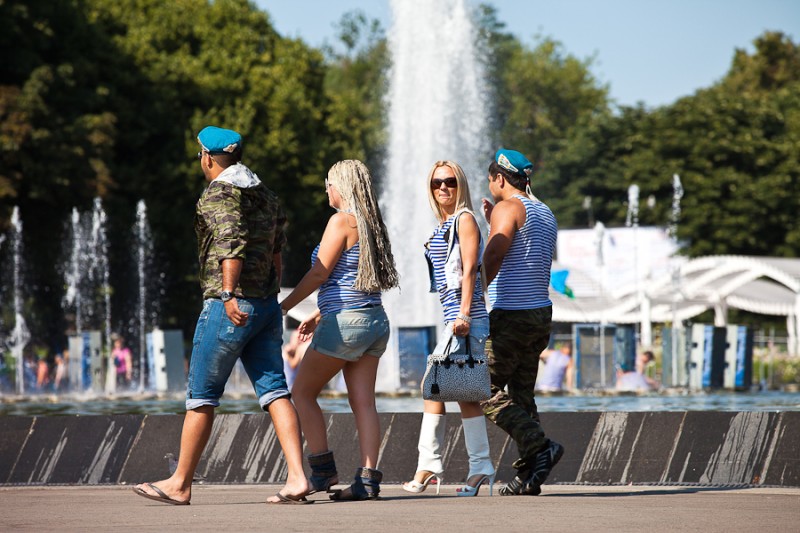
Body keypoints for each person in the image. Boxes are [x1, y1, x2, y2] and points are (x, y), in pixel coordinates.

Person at [133, 126, 309, 505]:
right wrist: (270, 296)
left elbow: (231, 243)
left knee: (201, 395)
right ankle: (297, 477)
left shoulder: (219, 193)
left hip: (230, 305)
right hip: (264, 304)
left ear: (207, 158)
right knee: (276, 390)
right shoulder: (267, 195)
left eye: (200, 156)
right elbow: (277, 251)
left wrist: (228, 293)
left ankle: (179, 483)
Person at [280, 159, 399, 502]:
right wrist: (319, 312)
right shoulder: (371, 223)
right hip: (374, 321)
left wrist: (283, 308)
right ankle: (367, 481)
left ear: (340, 186)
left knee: (302, 393)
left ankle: (321, 472)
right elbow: (355, 281)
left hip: (346, 323)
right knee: (364, 403)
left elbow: (320, 273)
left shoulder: (340, 221)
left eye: (327, 183)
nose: (326, 190)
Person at [402, 161, 495, 497]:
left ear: (460, 185)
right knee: (457, 394)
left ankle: (432, 465)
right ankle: (474, 467)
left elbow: (471, 270)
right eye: (437, 183)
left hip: (464, 320)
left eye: (450, 182)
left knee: (439, 389)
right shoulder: (444, 224)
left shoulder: (465, 219)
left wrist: (466, 314)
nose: (443, 188)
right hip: (453, 318)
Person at [480, 148, 564, 496]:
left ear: (500, 178)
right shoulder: (544, 212)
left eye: (490, 180)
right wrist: (493, 224)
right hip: (539, 315)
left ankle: (540, 446)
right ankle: (531, 475)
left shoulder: (508, 207)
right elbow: (523, 253)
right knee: (522, 395)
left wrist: (473, 292)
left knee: (476, 387)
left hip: (512, 314)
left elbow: (498, 252)